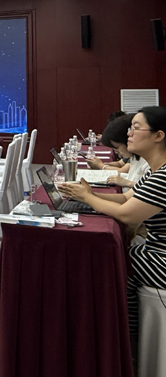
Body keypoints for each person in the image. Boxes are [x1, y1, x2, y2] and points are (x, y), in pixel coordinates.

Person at [58, 106, 166, 343]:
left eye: (136, 128)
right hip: (153, 250)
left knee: (108, 262)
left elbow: (126, 214)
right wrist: (86, 194)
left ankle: (123, 341)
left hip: (162, 259)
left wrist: (88, 198)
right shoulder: (155, 172)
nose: (129, 134)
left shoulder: (163, 176)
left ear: (158, 135)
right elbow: (126, 198)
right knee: (113, 256)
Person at [87, 114, 149, 190]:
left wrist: (101, 166)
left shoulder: (147, 162)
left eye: (117, 147)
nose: (116, 152)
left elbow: (148, 189)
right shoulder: (135, 157)